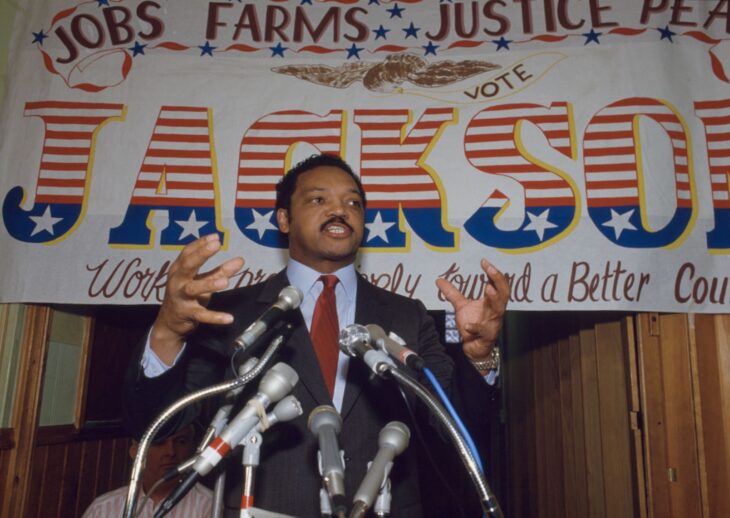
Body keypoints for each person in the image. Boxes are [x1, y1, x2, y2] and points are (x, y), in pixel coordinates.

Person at [123, 153, 510, 516]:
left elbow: (455, 429)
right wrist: (167, 334)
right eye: (318, 199)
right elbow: (161, 423)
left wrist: (478, 355)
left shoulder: (406, 316)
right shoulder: (233, 314)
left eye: (353, 203)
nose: (340, 210)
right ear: (283, 220)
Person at [82, 424, 212, 517]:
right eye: (159, 443)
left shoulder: (207, 505)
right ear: (135, 451)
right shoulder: (103, 509)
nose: (170, 452)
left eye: (181, 442)